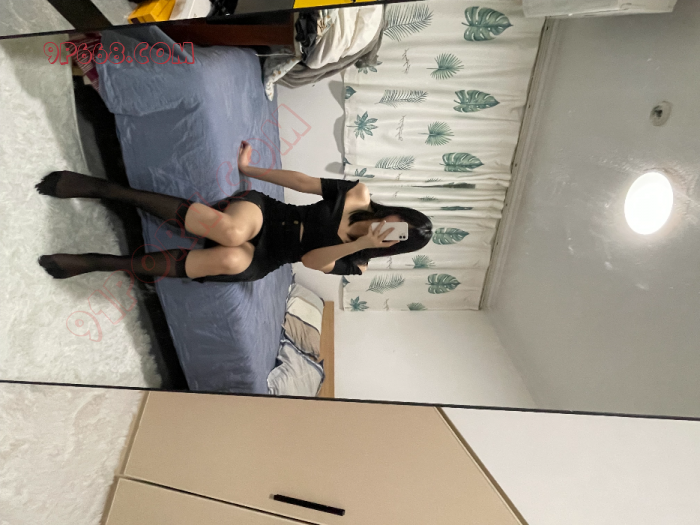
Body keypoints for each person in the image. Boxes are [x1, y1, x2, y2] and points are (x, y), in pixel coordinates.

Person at [36, 140, 433, 283]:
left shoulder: (358, 264)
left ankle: (101, 263)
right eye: (396, 221)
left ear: (395, 246)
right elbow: (302, 182)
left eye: (395, 235)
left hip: (270, 256)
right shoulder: (358, 195)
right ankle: (106, 189)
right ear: (396, 212)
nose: (388, 227)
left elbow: (312, 260)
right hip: (267, 216)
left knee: (229, 257)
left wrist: (359, 244)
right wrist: (249, 168)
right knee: (231, 232)